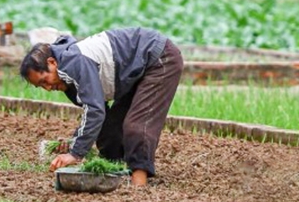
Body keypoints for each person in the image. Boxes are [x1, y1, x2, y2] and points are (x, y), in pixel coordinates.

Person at [20, 27, 183, 187]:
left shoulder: (73, 63)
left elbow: (94, 110)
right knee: (109, 130)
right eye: (41, 86)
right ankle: (115, 173)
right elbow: (97, 113)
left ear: (52, 63)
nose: (48, 88)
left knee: (137, 126)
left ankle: (138, 187)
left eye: (44, 80)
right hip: (135, 71)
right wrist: (74, 142)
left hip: (158, 57)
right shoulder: (66, 80)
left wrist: (75, 153)